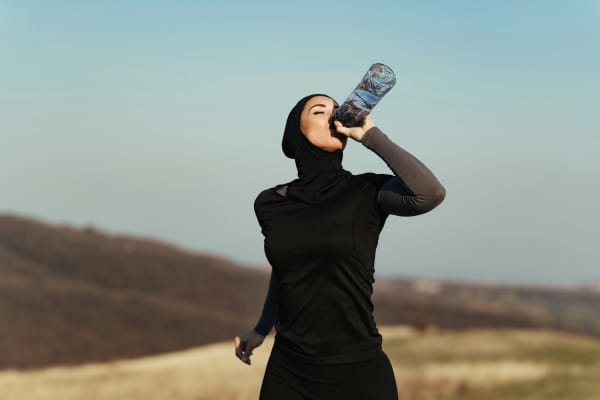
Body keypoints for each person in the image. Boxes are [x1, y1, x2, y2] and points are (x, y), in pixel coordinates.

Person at [234, 94, 445, 399]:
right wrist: (261, 327)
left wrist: (371, 135)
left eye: (337, 111)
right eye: (319, 112)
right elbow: (287, 269)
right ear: (297, 131)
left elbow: (430, 193)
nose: (333, 117)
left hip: (358, 372)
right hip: (289, 371)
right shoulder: (270, 203)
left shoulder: (367, 191)